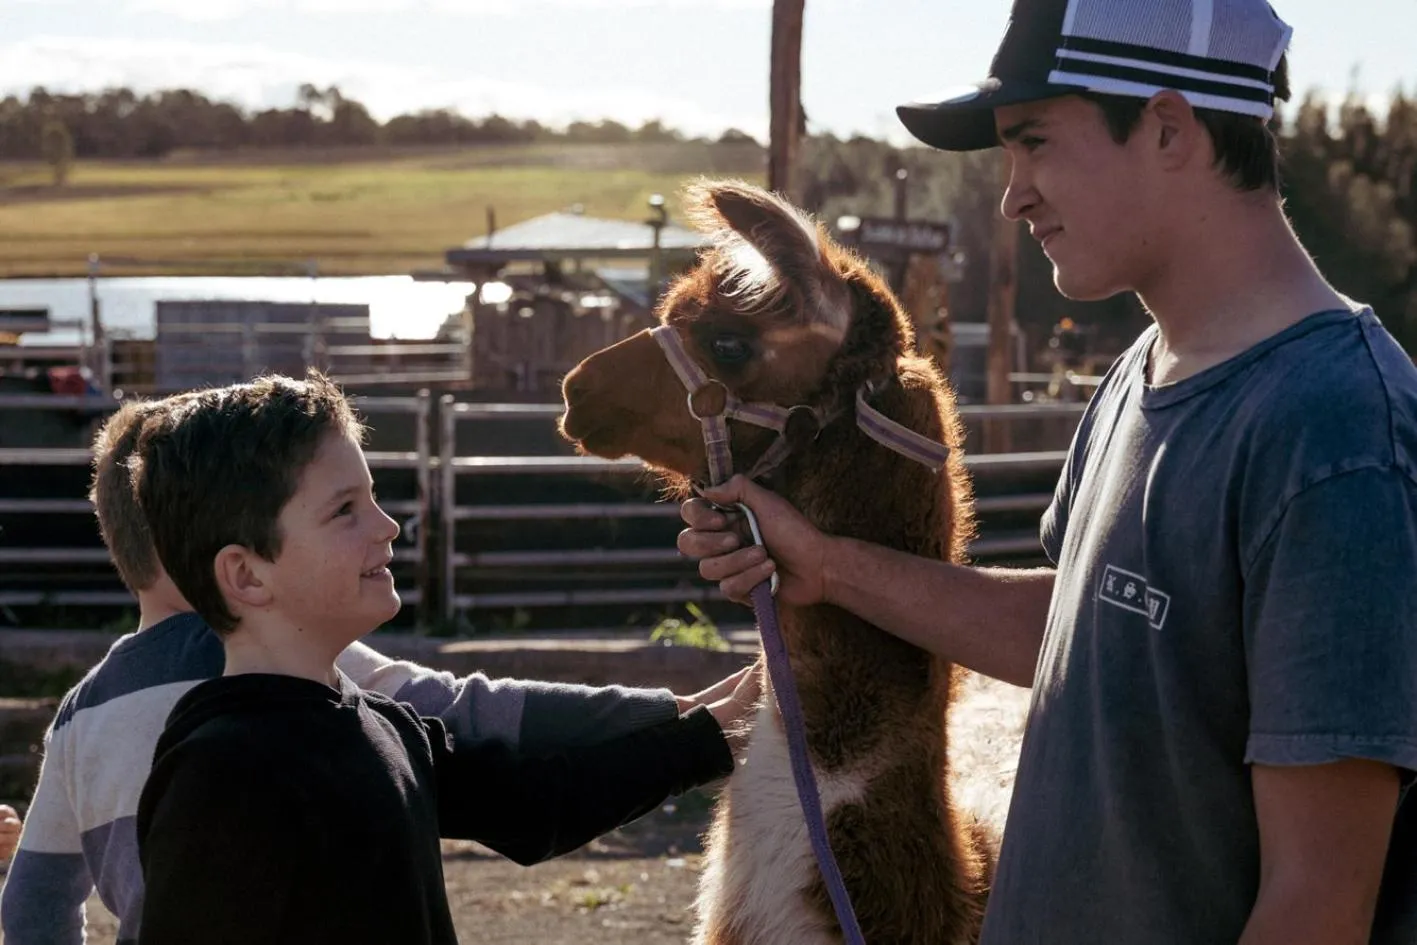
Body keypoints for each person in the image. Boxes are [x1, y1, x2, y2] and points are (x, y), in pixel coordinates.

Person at [678, 0, 1417, 942]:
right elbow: (1079, 632)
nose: (1011, 194)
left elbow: (1315, 904)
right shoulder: (1143, 372)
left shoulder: (1332, 432)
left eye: (1033, 143)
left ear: (1165, 127)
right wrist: (825, 565)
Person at [1, 393, 755, 945]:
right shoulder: (220, 769)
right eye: (345, 510)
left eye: (373, 498)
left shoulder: (384, 723)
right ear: (248, 576)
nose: (389, 525)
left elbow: (538, 806)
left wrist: (710, 736)